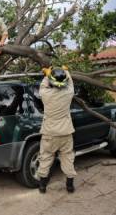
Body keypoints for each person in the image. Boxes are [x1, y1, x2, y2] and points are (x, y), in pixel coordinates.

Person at [36, 66, 77, 194]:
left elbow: (43, 85)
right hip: (66, 133)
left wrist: (46, 74)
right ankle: (69, 186)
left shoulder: (45, 94)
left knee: (46, 158)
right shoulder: (68, 93)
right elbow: (70, 83)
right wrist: (67, 71)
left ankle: (42, 186)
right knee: (68, 158)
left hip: (50, 134)